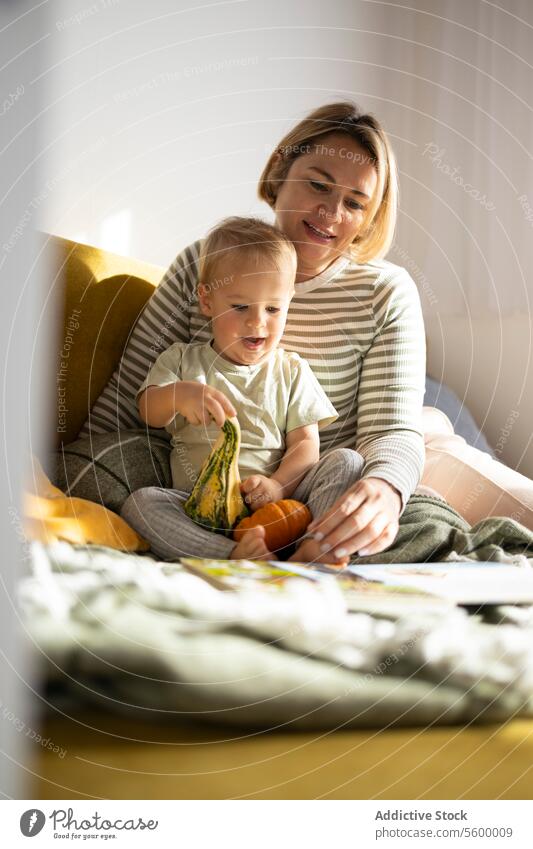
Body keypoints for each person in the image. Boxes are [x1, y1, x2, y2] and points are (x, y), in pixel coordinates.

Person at [86, 101, 427, 562]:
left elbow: (391, 431)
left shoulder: (385, 293)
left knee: (397, 481)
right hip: (204, 493)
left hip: (310, 487)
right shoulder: (204, 263)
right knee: (130, 493)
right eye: (317, 185)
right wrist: (69, 467)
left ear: (370, 216)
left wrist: (386, 488)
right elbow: (131, 396)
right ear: (279, 173)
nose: (330, 212)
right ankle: (239, 558)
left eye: (354, 203)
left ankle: (314, 553)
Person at [122, 216, 366, 563]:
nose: (257, 322)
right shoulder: (181, 359)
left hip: (280, 505)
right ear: (206, 301)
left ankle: (315, 547)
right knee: (141, 504)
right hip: (200, 509)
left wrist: (278, 484)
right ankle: (234, 555)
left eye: (272, 309)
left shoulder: (291, 370)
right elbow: (149, 411)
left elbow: (307, 445)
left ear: (288, 303)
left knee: (347, 461)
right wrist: (179, 394)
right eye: (240, 307)